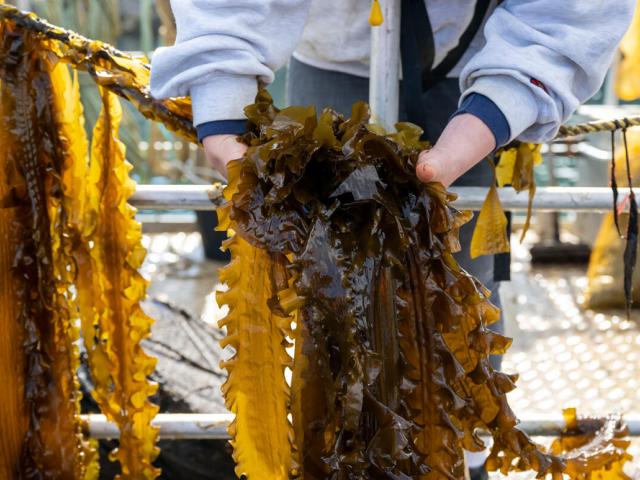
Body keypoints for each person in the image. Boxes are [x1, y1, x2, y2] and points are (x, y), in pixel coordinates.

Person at [150, 1, 634, 478]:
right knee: (322, 301)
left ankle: (466, 462)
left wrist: (497, 107)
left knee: (465, 285)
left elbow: (574, 8)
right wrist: (221, 100)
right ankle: (341, 450)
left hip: (477, 63)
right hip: (331, 50)